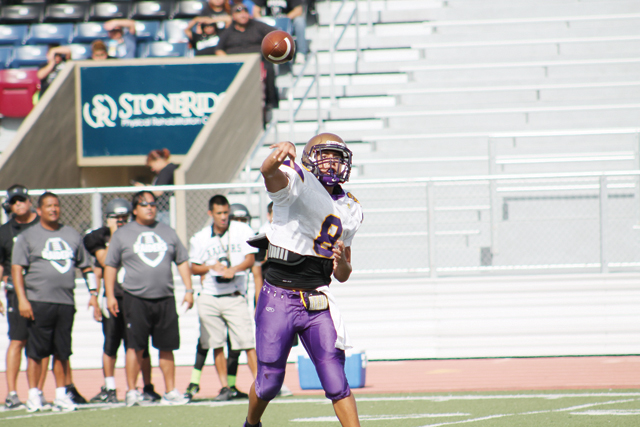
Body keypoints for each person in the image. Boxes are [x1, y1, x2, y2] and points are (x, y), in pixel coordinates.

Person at [243, 133, 364, 427]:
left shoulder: (351, 208)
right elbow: (268, 171)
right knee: (269, 382)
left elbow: (343, 275)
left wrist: (344, 263)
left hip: (317, 299)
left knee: (336, 381)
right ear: (310, 157)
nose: (332, 163)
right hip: (278, 296)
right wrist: (281, 154)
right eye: (325, 156)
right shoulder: (297, 180)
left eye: (337, 158)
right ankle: (251, 424)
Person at [104, 191, 194, 406]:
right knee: (136, 347)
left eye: (153, 204)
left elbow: (181, 260)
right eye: (144, 204)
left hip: (165, 298)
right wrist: (109, 295)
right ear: (135, 209)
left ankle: (170, 391)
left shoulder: (167, 231)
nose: (150, 208)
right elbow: (110, 266)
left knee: (167, 346)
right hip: (135, 298)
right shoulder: (122, 234)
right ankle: (132, 391)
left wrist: (189, 290)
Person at [12, 192, 97, 413]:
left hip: (65, 302)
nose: (53, 209)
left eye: (56, 205)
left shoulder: (71, 234)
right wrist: (22, 299)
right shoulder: (28, 237)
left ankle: (61, 394)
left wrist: (94, 293)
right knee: (37, 352)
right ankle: (34, 395)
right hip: (39, 301)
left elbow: (86, 267)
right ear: (39, 210)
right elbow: (17, 269)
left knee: (62, 351)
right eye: (48, 206)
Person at [83, 198, 161, 404]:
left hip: (135, 297)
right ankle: (109, 386)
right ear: (108, 219)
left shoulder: (137, 235)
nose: (120, 222)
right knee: (111, 344)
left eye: (124, 218)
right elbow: (104, 262)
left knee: (139, 346)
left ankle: (146, 386)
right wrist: (96, 296)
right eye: (116, 218)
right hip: (114, 298)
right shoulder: (98, 237)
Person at [185, 195, 258, 402]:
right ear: (211, 214)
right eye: (219, 213)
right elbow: (193, 267)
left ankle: (261, 383)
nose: (224, 217)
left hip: (235, 295)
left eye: (226, 213)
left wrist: (233, 269)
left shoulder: (242, 230)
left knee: (247, 341)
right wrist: (211, 267)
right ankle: (225, 386)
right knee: (216, 343)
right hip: (210, 295)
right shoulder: (199, 237)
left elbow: (250, 259)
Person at [0, 185, 48, 410]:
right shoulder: (4, 231)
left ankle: (36, 391)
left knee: (42, 344)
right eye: (14, 201)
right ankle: (11, 392)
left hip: (43, 292)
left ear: (30, 202)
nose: (19, 204)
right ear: (9, 205)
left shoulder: (43, 226)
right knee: (17, 341)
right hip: (15, 293)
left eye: (22, 200)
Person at [215, 3, 279, 118]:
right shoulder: (228, 32)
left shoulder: (258, 26)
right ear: (233, 16)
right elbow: (219, 50)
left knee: (269, 68)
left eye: (245, 12)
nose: (243, 15)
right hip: (236, 65)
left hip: (259, 62)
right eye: (239, 13)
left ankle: (271, 102)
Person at [134, 149, 178, 226]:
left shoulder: (166, 171)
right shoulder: (168, 170)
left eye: (152, 165)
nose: (152, 169)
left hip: (165, 210)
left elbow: (159, 191)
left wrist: (144, 187)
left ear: (158, 160)